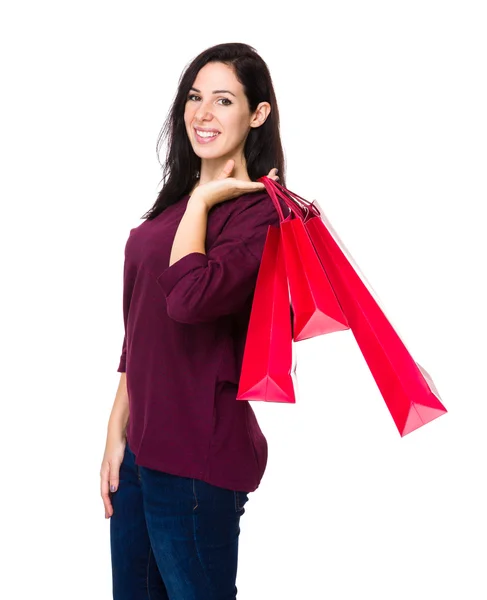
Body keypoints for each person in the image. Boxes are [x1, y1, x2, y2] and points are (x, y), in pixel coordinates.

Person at [100, 42, 289, 600]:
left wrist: (207, 201)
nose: (202, 114)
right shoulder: (171, 208)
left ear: (257, 114)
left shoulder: (259, 216)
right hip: (140, 454)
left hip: (195, 463)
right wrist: (116, 432)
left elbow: (187, 300)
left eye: (224, 100)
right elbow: (141, 330)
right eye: (194, 97)